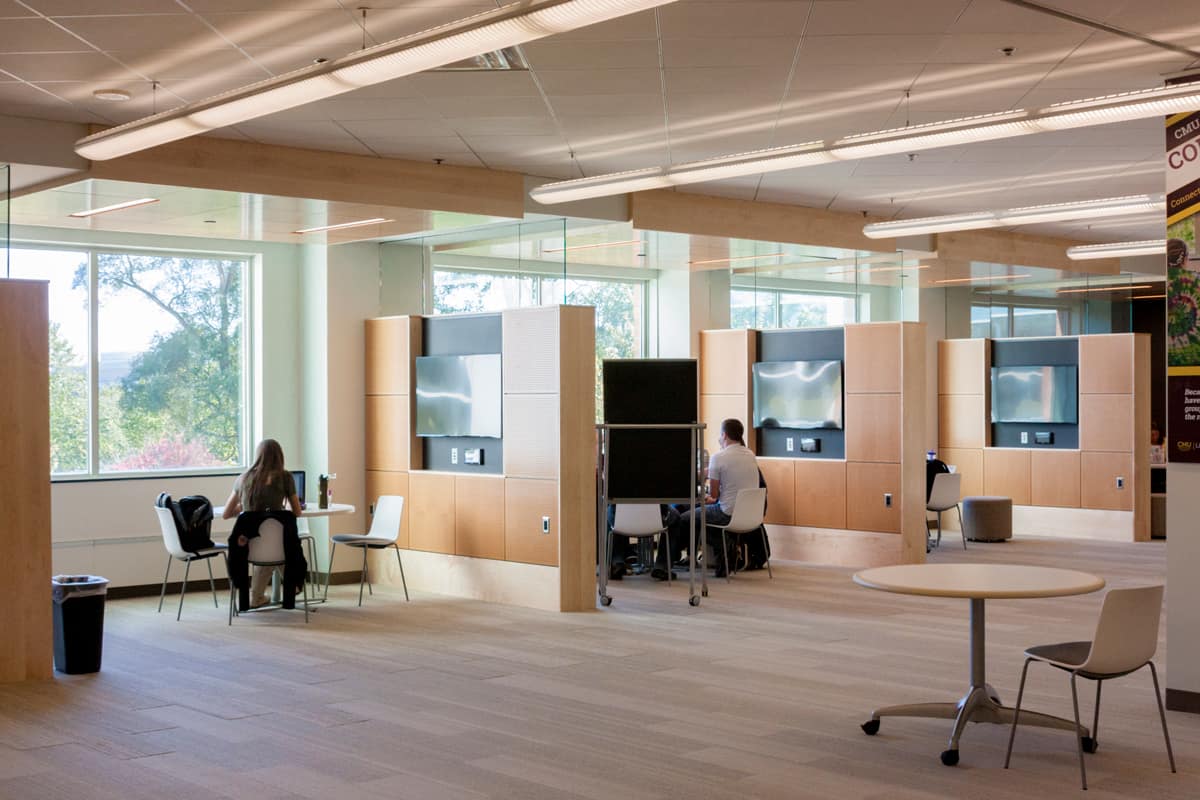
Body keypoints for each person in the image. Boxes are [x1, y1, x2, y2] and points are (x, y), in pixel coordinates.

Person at [656, 418, 758, 580]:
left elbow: (714, 496)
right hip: (749, 514)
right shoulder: (750, 454)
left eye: (719, 434)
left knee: (682, 518)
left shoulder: (719, 457)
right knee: (698, 517)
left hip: (726, 512)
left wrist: (705, 498)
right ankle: (723, 546)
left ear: (724, 435)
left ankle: (666, 563)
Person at [222, 438, 303, 608]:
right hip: (279, 546)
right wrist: (282, 506)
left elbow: (226, 513)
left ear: (258, 456)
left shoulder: (243, 479)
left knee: (263, 546)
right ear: (279, 457)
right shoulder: (286, 477)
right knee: (280, 545)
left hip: (248, 547)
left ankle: (256, 597)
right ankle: (292, 586)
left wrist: (245, 507)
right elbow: (297, 512)